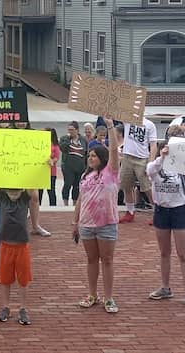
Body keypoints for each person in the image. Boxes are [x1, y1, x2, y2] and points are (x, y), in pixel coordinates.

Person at [72, 117, 120, 314]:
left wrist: (109, 126)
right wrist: (75, 222)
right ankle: (92, 294)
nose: (90, 158)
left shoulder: (111, 172)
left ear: (102, 157)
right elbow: (80, 200)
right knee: (91, 259)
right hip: (87, 224)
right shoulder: (85, 176)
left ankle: (109, 298)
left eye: (94, 155)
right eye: (89, 155)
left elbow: (114, 151)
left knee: (107, 259)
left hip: (107, 223)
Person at [145, 143, 185, 309]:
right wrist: (162, 157)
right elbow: (150, 171)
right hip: (162, 211)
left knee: (183, 254)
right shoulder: (154, 166)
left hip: (179, 211)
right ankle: (165, 287)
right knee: (164, 252)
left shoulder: (181, 170)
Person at [0, 188, 33, 325]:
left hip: (21, 246)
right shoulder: (3, 197)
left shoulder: (23, 199)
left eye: (16, 191)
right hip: (6, 245)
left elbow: (33, 186)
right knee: (5, 279)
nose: (14, 193)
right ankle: (6, 306)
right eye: (11, 190)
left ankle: (23, 308)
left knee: (23, 279)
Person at [119, 117, 157, 223]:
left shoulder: (149, 124)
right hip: (127, 157)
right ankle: (130, 211)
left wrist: (150, 162)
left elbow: (153, 145)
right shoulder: (127, 120)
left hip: (142, 158)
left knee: (147, 187)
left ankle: (157, 212)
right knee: (126, 185)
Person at [59, 121, 87, 206]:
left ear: (77, 130)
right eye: (69, 130)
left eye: (72, 130)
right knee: (67, 183)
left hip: (80, 167)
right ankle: (65, 202)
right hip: (68, 166)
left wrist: (86, 166)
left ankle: (75, 203)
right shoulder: (64, 138)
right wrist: (68, 139)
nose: (70, 131)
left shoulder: (83, 139)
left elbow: (86, 152)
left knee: (77, 186)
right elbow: (63, 148)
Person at [39, 128, 60, 207]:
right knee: (39, 191)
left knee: (51, 191)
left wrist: (52, 161)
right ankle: (38, 206)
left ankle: (53, 206)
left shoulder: (55, 145)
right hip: (40, 171)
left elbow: (57, 157)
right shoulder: (40, 143)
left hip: (51, 171)